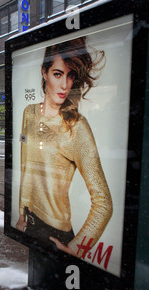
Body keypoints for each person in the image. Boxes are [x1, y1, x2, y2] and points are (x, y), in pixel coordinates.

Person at [16, 36, 112, 259]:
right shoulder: (29, 113)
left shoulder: (76, 127)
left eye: (71, 76)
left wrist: (77, 249)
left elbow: (103, 203)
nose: (65, 85)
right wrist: (22, 213)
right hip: (29, 222)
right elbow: (26, 168)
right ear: (44, 73)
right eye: (58, 74)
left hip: (56, 233)